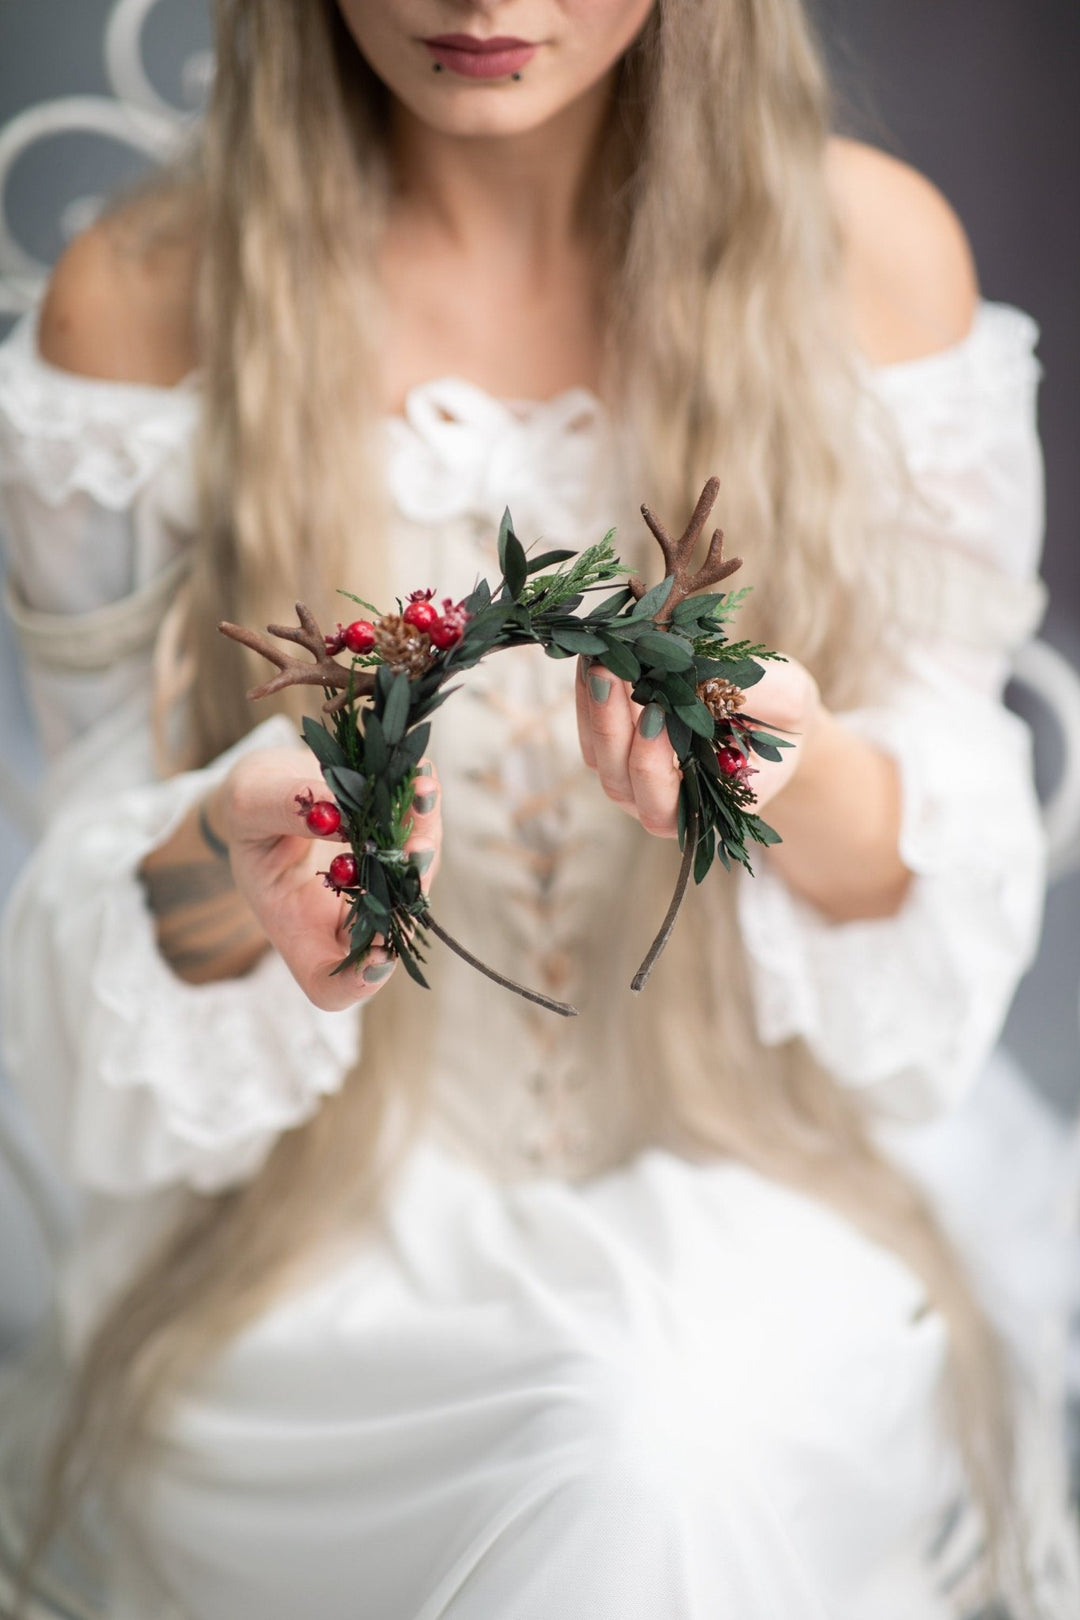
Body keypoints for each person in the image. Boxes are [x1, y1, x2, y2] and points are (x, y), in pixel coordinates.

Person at [0, 1, 1077, 1615]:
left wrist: (796, 775)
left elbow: (947, 883)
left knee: (654, 1441)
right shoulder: (150, 302)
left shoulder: (864, 256)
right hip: (303, 1258)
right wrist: (240, 868)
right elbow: (89, 950)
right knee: (597, 1451)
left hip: (762, 1199)